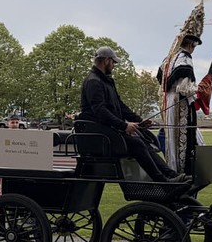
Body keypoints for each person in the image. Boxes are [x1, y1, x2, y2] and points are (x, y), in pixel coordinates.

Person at [79, 47, 189, 184]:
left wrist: (139, 121)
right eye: (113, 63)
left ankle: (170, 175)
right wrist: (124, 126)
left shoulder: (105, 81)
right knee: (137, 143)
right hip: (99, 134)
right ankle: (162, 181)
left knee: (145, 140)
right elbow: (100, 112)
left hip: (107, 131)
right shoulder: (94, 82)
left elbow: (120, 106)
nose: (114, 66)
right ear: (106, 61)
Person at [158, 32, 203, 174]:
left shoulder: (169, 58)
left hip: (169, 100)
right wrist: (199, 89)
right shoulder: (185, 58)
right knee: (183, 141)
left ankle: (173, 169)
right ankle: (182, 172)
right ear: (190, 45)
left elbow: (161, 79)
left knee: (172, 139)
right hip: (180, 102)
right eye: (194, 46)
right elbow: (184, 88)